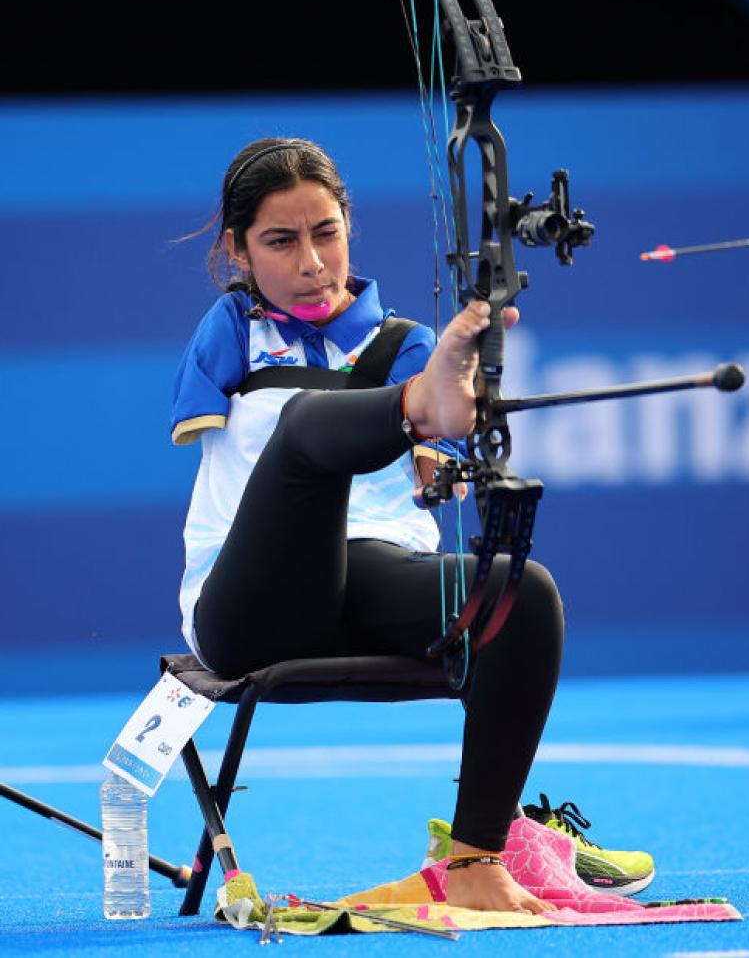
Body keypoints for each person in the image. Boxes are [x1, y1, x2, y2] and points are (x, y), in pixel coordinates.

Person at [171, 137, 647, 912]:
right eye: (280, 241)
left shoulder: (409, 344)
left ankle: (476, 861)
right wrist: (414, 407)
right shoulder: (230, 330)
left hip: (371, 585)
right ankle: (410, 408)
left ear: (350, 226)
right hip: (248, 606)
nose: (312, 262)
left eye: (326, 232)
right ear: (237, 249)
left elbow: (437, 473)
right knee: (305, 426)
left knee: (521, 591)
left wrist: (450, 416)